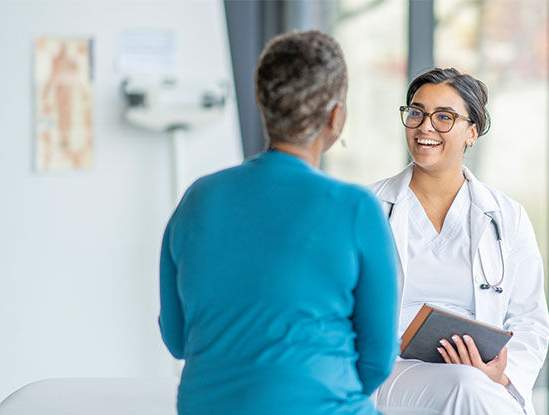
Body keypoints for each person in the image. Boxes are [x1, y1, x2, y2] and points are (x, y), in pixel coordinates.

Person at [158, 30, 399, 415]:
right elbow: (378, 359)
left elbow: (177, 339)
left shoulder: (197, 199)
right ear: (337, 116)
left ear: (262, 103)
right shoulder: (356, 208)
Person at [369, 68, 549, 415]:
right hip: (391, 370)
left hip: (481, 375)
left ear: (471, 133)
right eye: (416, 112)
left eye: (443, 117)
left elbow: (530, 320)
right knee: (466, 387)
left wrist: (500, 375)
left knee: (473, 385)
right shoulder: (367, 208)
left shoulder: (506, 216)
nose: (425, 127)